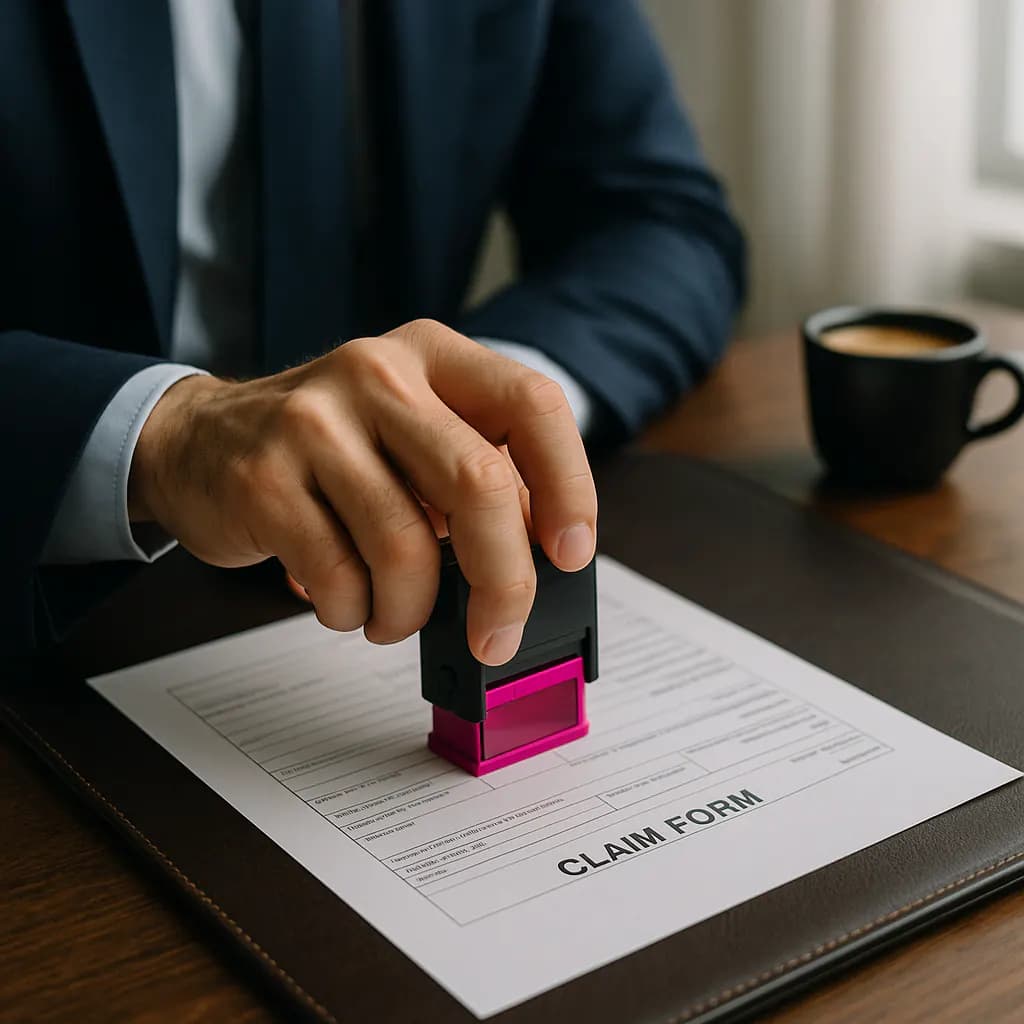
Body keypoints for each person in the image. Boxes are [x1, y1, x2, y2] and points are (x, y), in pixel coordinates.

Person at [2, 0, 745, 660]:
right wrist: (167, 440)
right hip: (53, 599)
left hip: (384, 593)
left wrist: (478, 402)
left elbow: (656, 219)